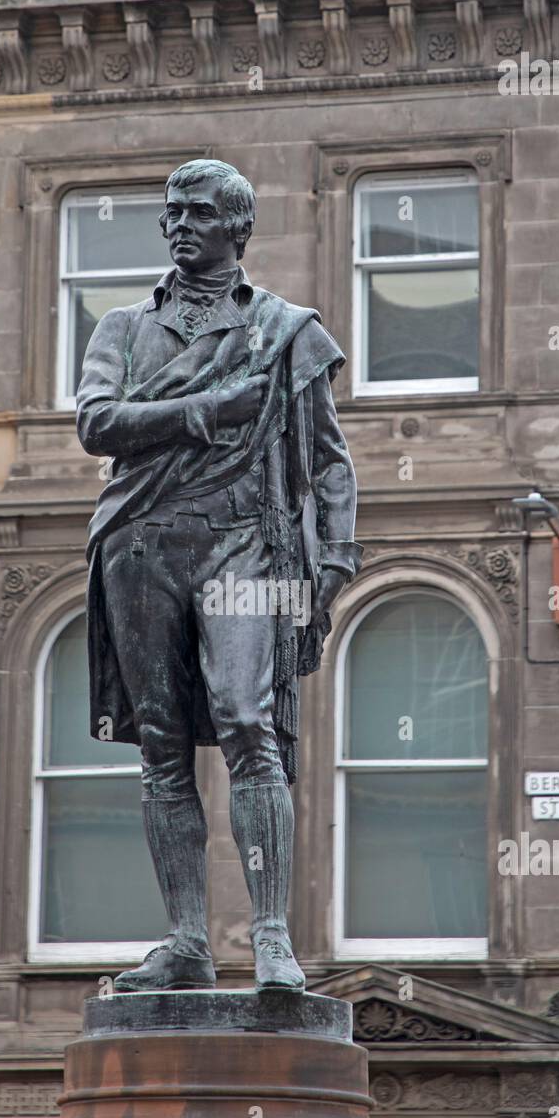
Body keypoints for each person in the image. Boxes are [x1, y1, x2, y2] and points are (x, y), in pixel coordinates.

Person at [77, 158, 361, 992]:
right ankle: (188, 943)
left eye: (196, 213)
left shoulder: (286, 331)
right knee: (162, 747)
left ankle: (270, 935)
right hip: (140, 541)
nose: (178, 226)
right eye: (170, 214)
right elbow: (97, 423)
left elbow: (331, 463)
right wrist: (203, 413)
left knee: (247, 721)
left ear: (238, 228)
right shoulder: (122, 329)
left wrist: (335, 559)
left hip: (246, 544)